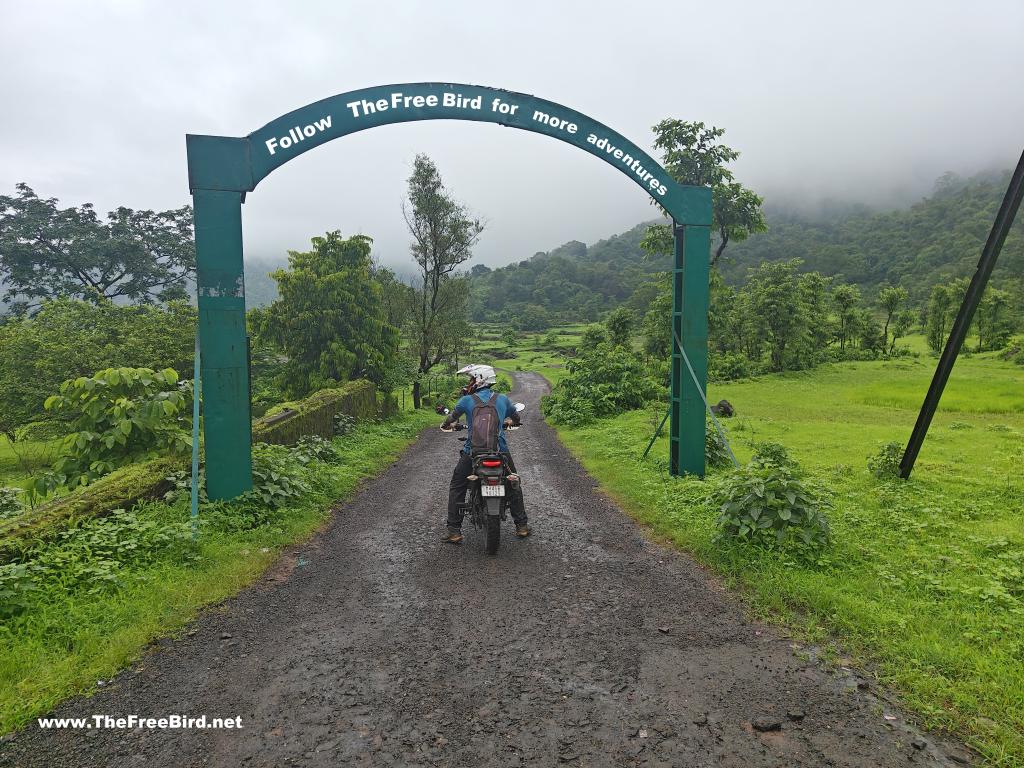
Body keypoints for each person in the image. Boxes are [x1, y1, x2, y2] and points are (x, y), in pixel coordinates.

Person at [439, 364, 528, 543]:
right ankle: (521, 526)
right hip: (499, 451)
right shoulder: (502, 399)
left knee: (457, 485)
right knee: (514, 482)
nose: (470, 383)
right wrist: (511, 421)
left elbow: (452, 418)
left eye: (472, 379)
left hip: (473, 452)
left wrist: (446, 424)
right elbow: (516, 417)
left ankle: (454, 530)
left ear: (479, 380)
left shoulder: (466, 401)